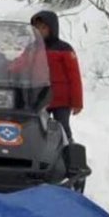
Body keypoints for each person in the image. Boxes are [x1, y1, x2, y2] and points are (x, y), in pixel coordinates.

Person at [29, 11, 82, 142]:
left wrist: (77, 102)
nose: (39, 31)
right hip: (40, 97)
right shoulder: (32, 48)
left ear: (52, 28)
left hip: (61, 100)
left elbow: (74, 77)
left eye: (43, 27)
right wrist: (6, 69)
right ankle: (41, 152)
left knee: (62, 128)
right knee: (36, 127)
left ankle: (69, 151)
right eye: (36, 28)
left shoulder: (64, 49)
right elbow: (20, 63)